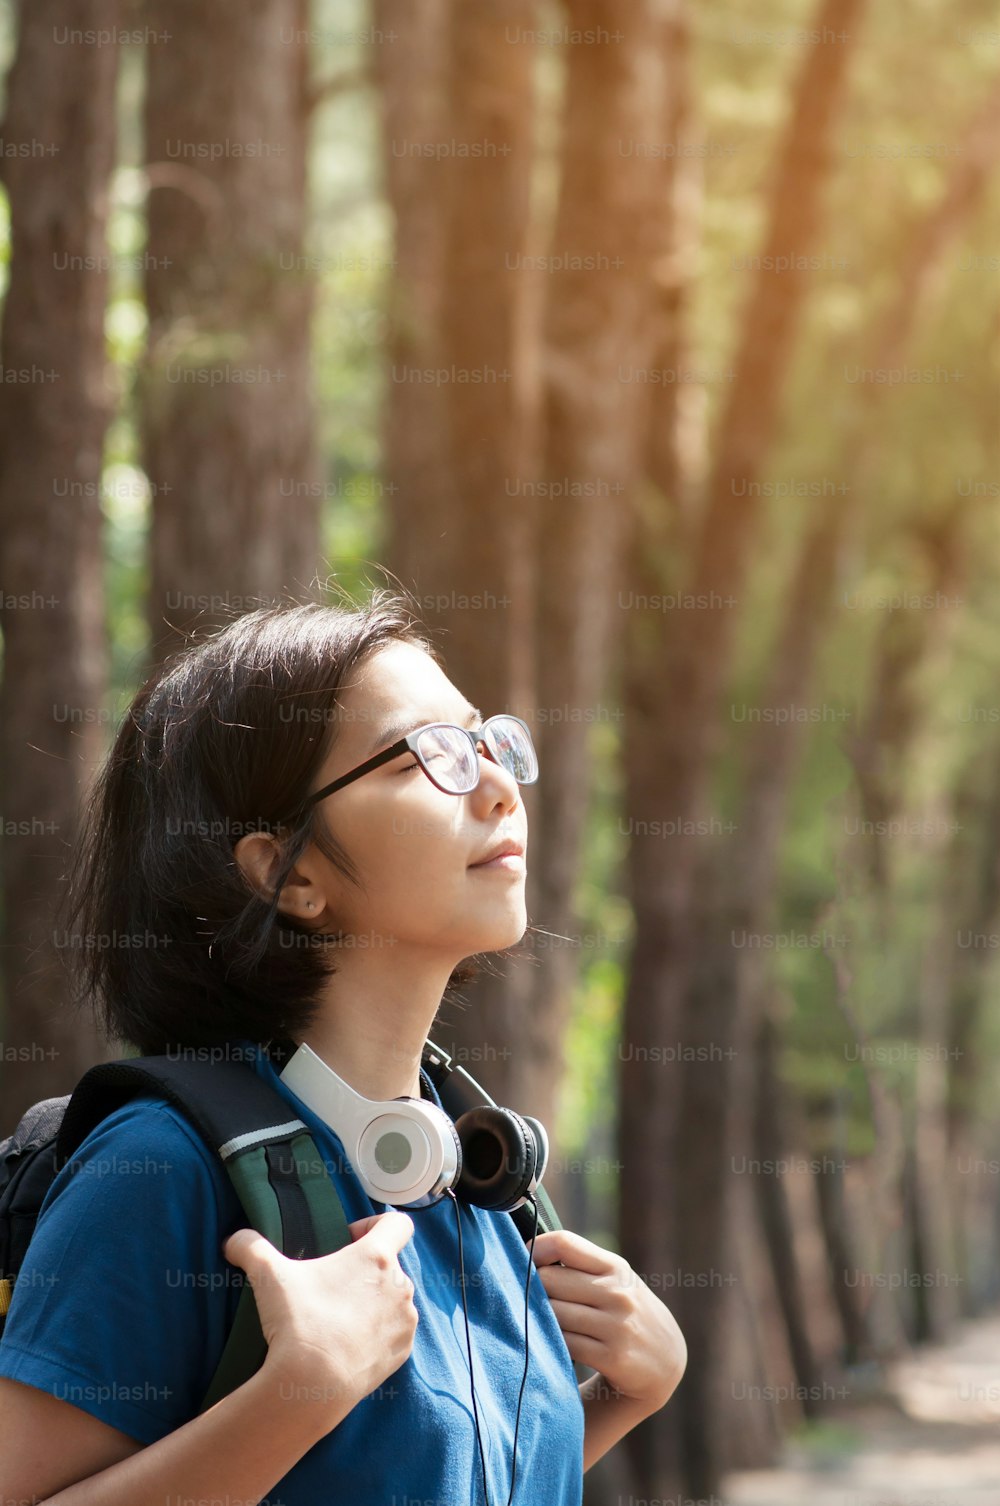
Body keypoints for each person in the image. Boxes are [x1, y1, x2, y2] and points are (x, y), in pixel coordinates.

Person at [0, 592, 686, 1505]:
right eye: (424, 755)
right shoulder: (159, 1171)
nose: (493, 783)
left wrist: (618, 1402)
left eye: (486, 741)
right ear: (289, 873)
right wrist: (294, 1398)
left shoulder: (479, 1186)